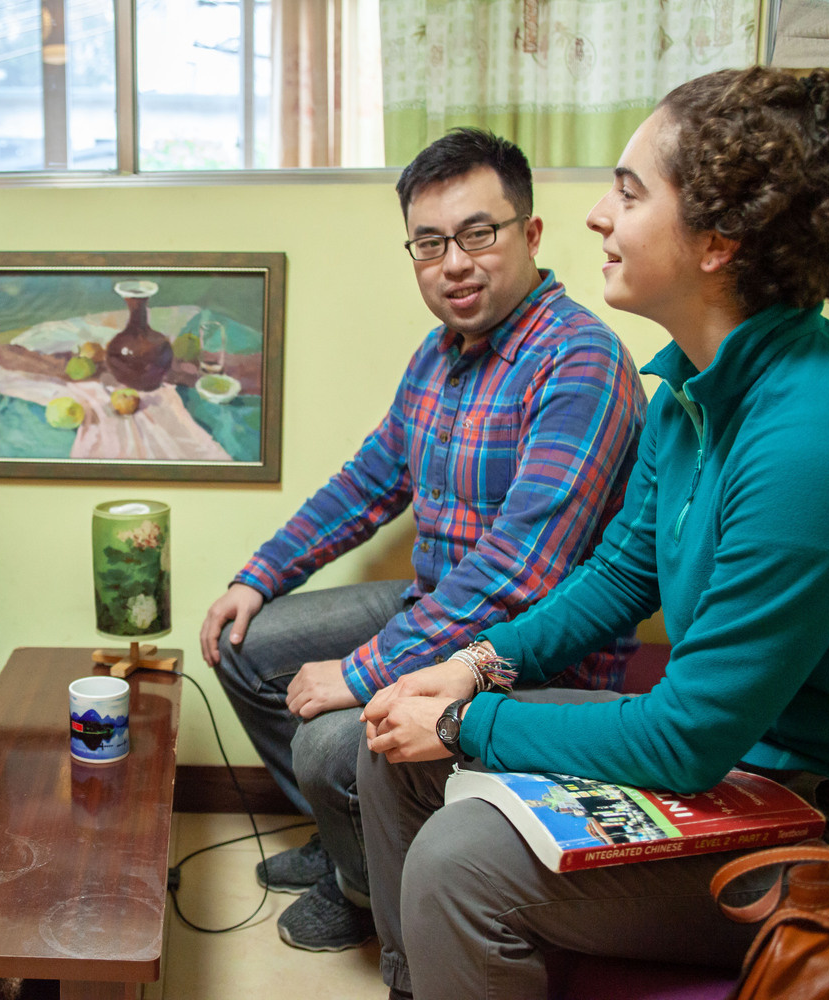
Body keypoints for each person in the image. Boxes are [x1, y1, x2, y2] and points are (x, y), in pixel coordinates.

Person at [358, 67, 829, 999]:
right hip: (735, 763)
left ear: (717, 240)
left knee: (459, 862)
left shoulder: (817, 436)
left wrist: (468, 721)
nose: (597, 215)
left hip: (821, 820)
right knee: (390, 743)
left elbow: (687, 740)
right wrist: (474, 665)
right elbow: (619, 577)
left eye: (629, 194)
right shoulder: (687, 393)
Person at [197, 128, 647, 951]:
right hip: (432, 607)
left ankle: (363, 888)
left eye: (479, 233)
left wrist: (361, 671)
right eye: (431, 243)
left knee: (330, 738)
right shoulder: (438, 355)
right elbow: (368, 483)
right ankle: (346, 840)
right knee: (244, 643)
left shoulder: (580, 362)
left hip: (531, 658)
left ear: (531, 234)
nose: (455, 264)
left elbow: (518, 576)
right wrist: (257, 575)